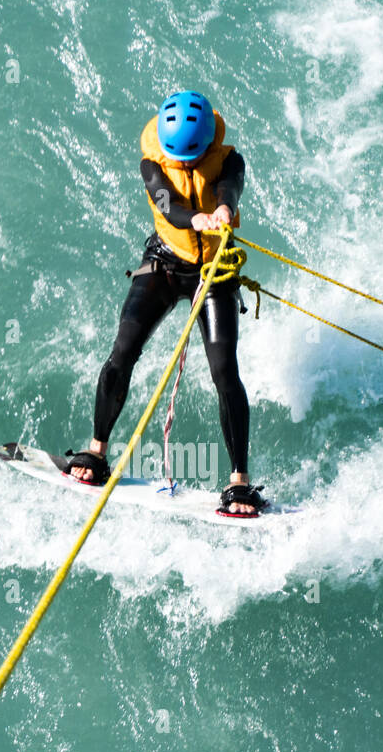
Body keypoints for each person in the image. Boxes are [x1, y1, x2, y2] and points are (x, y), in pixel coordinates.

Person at [65, 90, 267, 518]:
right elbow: (164, 201)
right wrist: (195, 218)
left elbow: (230, 184)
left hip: (214, 272)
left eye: (195, 159)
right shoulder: (152, 162)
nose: (189, 166)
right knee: (122, 351)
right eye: (182, 159)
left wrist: (225, 208)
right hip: (164, 261)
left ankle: (239, 483)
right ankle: (97, 450)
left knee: (224, 370)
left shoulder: (230, 159)